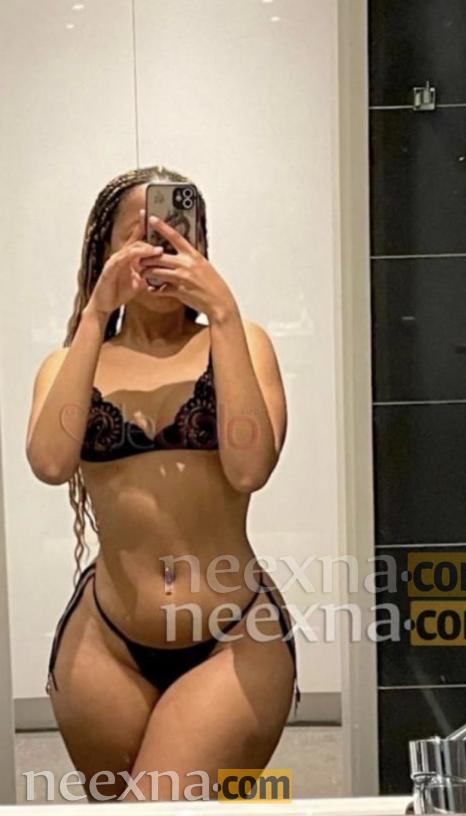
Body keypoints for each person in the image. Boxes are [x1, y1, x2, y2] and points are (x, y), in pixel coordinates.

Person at [25, 166, 300, 802]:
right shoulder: (69, 363)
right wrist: (96, 313)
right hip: (104, 643)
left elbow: (250, 468)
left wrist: (223, 311)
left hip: (233, 637)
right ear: (106, 251)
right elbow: (50, 463)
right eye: (141, 235)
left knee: (156, 806)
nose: (161, 248)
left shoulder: (242, 342)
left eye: (177, 233)